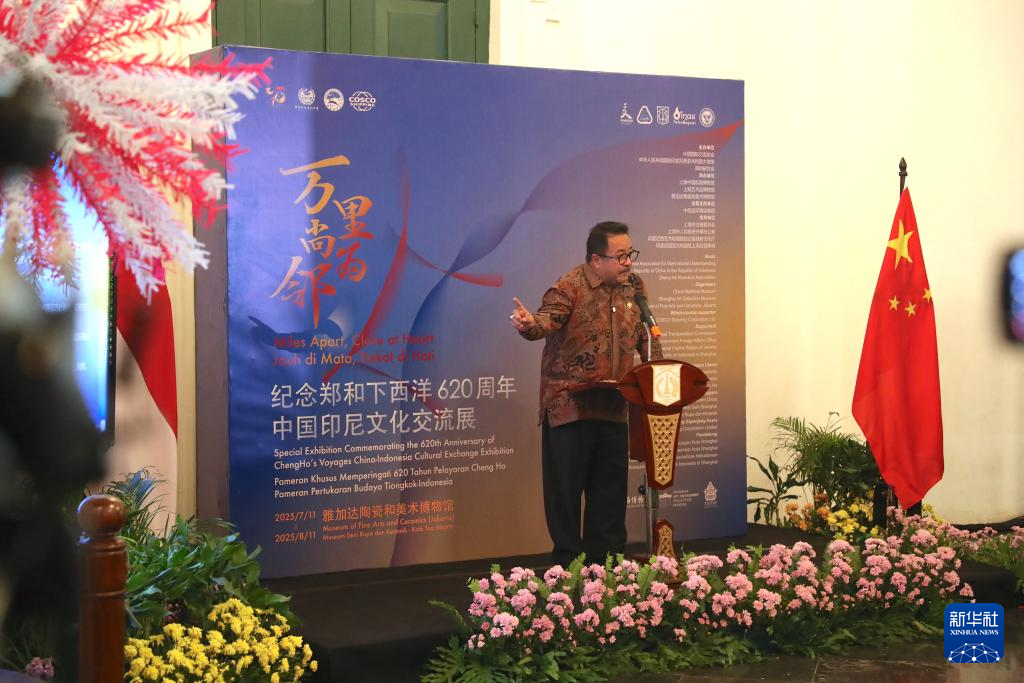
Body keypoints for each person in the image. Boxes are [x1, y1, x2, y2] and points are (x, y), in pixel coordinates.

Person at [510, 220, 662, 567]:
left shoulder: (634, 287)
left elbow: (644, 336)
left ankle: (605, 566)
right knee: (565, 494)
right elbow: (545, 321)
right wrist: (528, 324)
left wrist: (658, 365)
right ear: (596, 260)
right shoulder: (569, 286)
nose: (628, 262)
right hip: (570, 407)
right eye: (620, 256)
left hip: (614, 406)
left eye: (630, 254)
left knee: (609, 495)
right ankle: (568, 569)